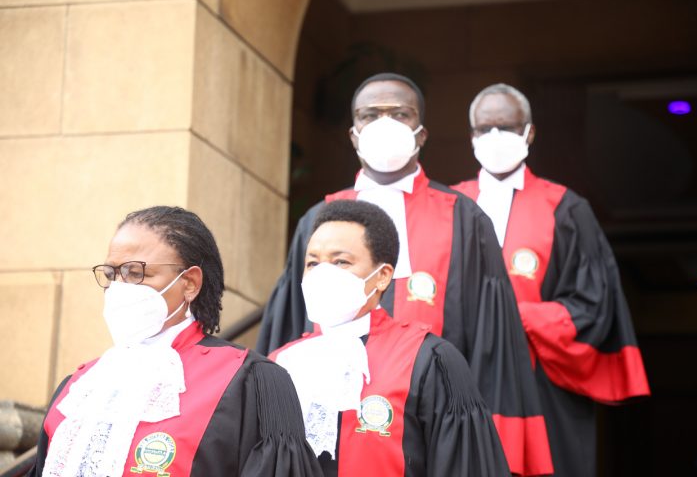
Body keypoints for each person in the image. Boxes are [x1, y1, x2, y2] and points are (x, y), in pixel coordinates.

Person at [258, 72, 553, 476]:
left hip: (438, 423)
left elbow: (492, 341)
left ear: (421, 132)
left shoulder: (465, 218)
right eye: (370, 115)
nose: (385, 124)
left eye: (399, 113)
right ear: (353, 133)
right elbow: (291, 325)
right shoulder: (319, 220)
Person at [30, 206, 322, 477]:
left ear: (190, 283)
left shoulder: (252, 381)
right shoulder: (81, 386)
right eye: (111, 275)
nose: (118, 288)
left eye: (136, 273)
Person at [453, 83, 651, 476]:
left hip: (543, 385)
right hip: (464, 384)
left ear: (530, 132)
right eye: (485, 128)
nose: (495, 137)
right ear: (472, 136)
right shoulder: (449, 207)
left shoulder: (566, 209)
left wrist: (517, 318)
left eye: (507, 126)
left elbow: (594, 306)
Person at [270, 199, 510, 476]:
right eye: (312, 263)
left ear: (383, 276)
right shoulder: (281, 362)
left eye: (341, 261)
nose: (323, 273)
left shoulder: (429, 359)